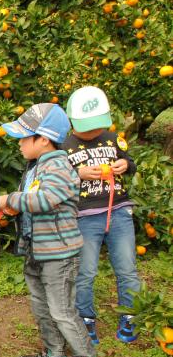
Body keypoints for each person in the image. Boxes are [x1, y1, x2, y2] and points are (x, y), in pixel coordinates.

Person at [0, 103, 101, 357]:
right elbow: (34, 201)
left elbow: (47, 199)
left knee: (62, 310)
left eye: (24, 137)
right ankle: (54, 356)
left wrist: (9, 200)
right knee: (42, 306)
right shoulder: (36, 166)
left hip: (59, 253)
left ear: (43, 139)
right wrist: (15, 209)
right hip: (37, 249)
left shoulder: (58, 164)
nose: (19, 143)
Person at [64, 86, 141, 344]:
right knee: (85, 271)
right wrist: (79, 175)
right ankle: (86, 319)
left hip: (118, 211)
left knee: (127, 268)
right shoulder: (65, 146)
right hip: (85, 216)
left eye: (98, 126)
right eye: (89, 127)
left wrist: (125, 165)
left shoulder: (112, 138)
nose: (95, 132)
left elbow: (130, 161)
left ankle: (130, 315)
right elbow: (56, 179)